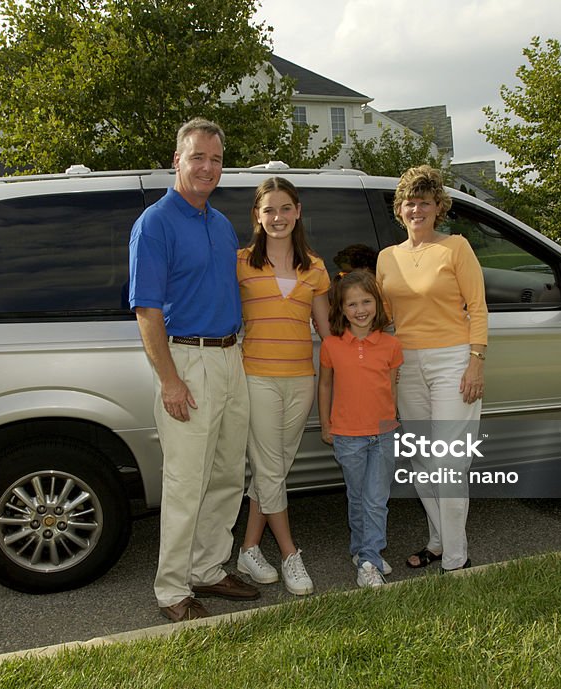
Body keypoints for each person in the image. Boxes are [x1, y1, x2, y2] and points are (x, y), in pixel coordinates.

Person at [128, 118, 259, 622]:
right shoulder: (155, 223)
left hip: (230, 357)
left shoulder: (220, 224)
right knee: (186, 481)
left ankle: (208, 567)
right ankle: (172, 591)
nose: (207, 167)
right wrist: (169, 380)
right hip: (187, 360)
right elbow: (147, 311)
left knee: (227, 473)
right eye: (197, 157)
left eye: (216, 159)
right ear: (177, 161)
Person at [375, 164, 487, 574]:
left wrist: (476, 362)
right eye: (409, 202)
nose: (416, 209)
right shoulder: (388, 258)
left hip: (454, 361)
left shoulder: (455, 247)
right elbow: (385, 317)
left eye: (424, 202)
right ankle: (439, 543)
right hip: (408, 363)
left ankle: (457, 559)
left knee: (449, 460)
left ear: (438, 207)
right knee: (421, 458)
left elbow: (477, 308)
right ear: (399, 210)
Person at [235, 177, 331, 596]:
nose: (278, 217)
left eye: (285, 208)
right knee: (272, 468)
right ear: (257, 216)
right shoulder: (239, 262)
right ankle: (291, 553)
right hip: (256, 376)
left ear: (298, 211)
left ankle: (250, 548)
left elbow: (326, 331)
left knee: (275, 468)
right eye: (269, 210)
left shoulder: (315, 267)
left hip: (301, 379)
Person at [317, 270, 403, 588]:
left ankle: (369, 560)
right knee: (357, 496)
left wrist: (392, 423)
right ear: (341, 309)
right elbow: (325, 386)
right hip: (347, 436)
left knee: (376, 499)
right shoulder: (331, 345)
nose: (360, 309)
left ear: (378, 305)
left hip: (382, 434)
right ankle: (360, 550)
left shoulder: (391, 345)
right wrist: (327, 425)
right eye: (352, 304)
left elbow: (391, 390)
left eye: (366, 301)